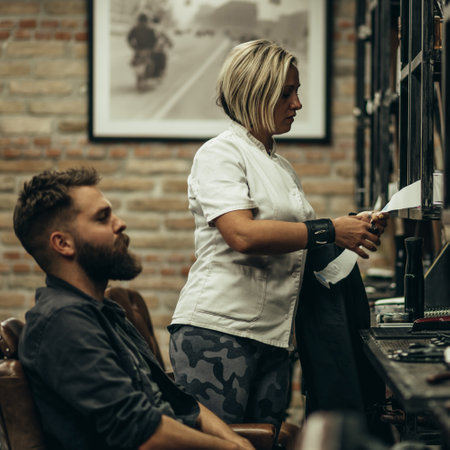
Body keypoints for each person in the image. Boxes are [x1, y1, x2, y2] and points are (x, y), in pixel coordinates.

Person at [168, 39, 388, 431]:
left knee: (261, 442)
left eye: (297, 91)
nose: (297, 104)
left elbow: (301, 240)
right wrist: (331, 229)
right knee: (216, 446)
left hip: (273, 336)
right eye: (287, 93)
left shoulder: (280, 166)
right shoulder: (221, 154)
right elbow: (243, 235)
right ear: (256, 93)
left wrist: (350, 227)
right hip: (220, 332)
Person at [14, 167, 254, 450]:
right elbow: (143, 434)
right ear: (63, 243)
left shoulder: (104, 310)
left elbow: (183, 405)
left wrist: (237, 442)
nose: (120, 223)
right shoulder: (61, 322)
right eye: (103, 218)